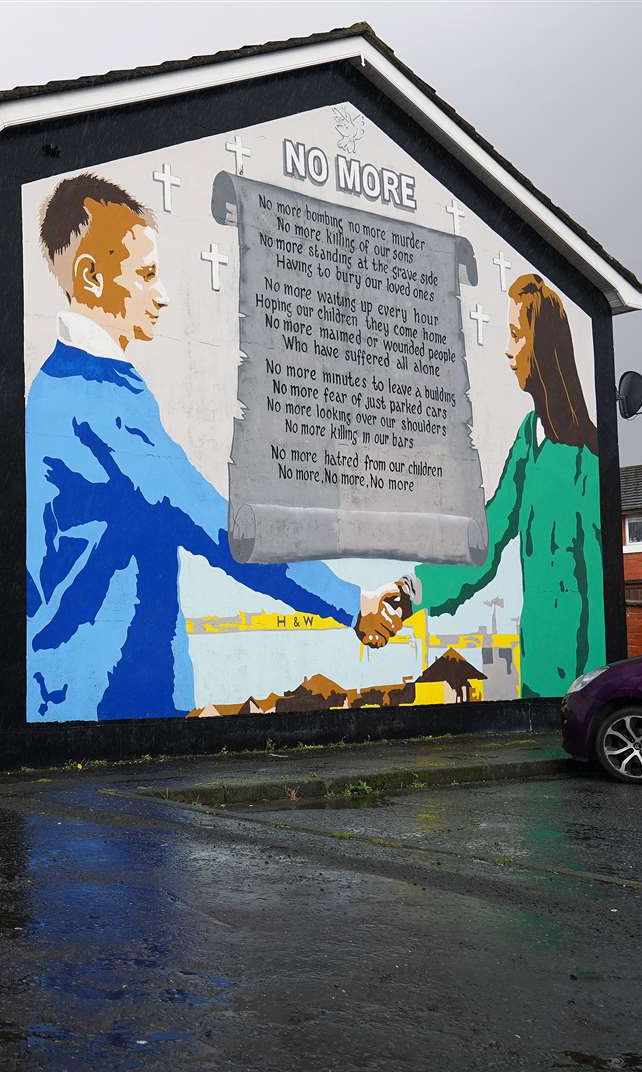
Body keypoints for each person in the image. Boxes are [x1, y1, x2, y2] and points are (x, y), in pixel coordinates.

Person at [25, 174, 403, 722]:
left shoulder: (51, 390)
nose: (163, 295)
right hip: (114, 706)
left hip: (63, 697)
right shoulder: (101, 401)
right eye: (147, 274)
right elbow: (217, 527)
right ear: (91, 276)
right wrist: (350, 603)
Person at [403, 273, 603, 696]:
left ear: (543, 346)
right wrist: (412, 591)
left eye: (516, 336)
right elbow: (489, 536)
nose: (509, 352)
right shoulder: (529, 439)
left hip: (583, 684)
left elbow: (599, 592)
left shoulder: (590, 456)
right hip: (537, 676)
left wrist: (597, 690)